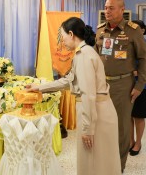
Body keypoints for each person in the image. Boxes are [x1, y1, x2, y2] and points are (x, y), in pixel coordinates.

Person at [27, 17, 121, 175]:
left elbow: (88, 95)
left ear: (71, 34)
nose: (62, 41)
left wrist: (88, 128)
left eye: (63, 37)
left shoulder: (83, 55)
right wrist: (39, 88)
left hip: (95, 114)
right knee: (100, 162)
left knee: (94, 164)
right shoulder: (84, 52)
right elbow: (68, 80)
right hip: (98, 111)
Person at [95, 0, 146, 172]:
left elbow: (143, 58)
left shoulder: (133, 31)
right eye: (106, 7)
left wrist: (139, 86)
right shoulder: (101, 30)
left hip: (124, 85)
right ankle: (104, 160)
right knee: (102, 125)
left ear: (121, 10)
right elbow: (95, 59)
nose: (107, 11)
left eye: (111, 8)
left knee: (122, 128)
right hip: (102, 85)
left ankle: (118, 166)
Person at [129, 20, 146, 156]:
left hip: (141, 86)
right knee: (128, 116)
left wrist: (135, 72)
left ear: (143, 30)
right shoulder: (126, 44)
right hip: (126, 85)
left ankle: (138, 142)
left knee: (138, 116)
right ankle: (130, 141)